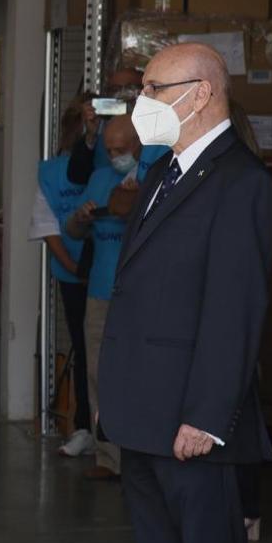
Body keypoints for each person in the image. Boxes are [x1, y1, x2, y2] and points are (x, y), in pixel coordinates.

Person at [99, 43, 272, 543]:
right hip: (144, 418)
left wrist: (205, 416)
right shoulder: (162, 175)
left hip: (191, 426)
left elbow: (235, 308)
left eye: (154, 91)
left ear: (201, 95)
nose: (141, 104)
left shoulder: (240, 182)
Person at [65, 112, 165, 482]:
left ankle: (145, 455)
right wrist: (82, 216)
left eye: (121, 149)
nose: (115, 156)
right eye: (109, 150)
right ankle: (107, 456)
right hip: (100, 293)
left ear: (140, 146)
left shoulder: (156, 177)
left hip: (143, 294)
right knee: (97, 375)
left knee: (143, 373)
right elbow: (72, 232)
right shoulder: (98, 178)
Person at [29, 94, 92, 457]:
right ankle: (84, 425)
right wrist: (72, 267)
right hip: (75, 276)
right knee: (84, 351)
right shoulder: (52, 171)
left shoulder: (108, 166)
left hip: (104, 272)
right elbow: (46, 224)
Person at [67, 67, 145, 185]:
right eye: (114, 89)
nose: (121, 95)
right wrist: (90, 135)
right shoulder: (100, 127)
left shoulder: (156, 128)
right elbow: (77, 177)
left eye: (129, 89)